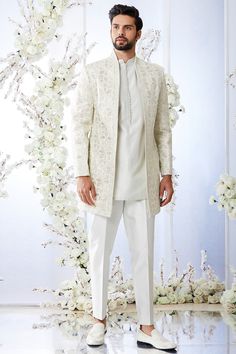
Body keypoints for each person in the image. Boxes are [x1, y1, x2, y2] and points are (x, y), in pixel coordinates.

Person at [71, 4, 176, 351]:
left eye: (128, 27)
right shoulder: (94, 73)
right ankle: (98, 321)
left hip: (142, 180)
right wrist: (82, 173)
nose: (121, 33)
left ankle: (147, 327)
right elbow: (80, 125)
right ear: (110, 30)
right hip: (102, 181)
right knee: (99, 253)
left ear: (138, 33)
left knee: (143, 254)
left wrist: (166, 173)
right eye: (116, 26)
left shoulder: (154, 75)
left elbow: (162, 129)